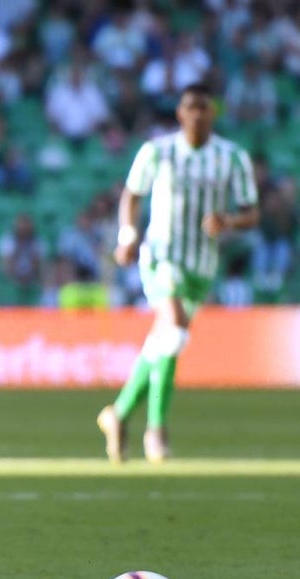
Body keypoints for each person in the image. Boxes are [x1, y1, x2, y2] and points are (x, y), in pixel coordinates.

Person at [97, 83, 259, 464]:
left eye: (204, 107)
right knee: (175, 324)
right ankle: (156, 430)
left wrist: (229, 221)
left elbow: (252, 212)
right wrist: (128, 235)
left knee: (166, 341)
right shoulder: (158, 151)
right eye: (191, 107)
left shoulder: (231, 158)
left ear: (213, 113)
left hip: (202, 265)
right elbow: (132, 194)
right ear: (180, 114)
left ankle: (118, 415)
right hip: (161, 257)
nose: (198, 114)